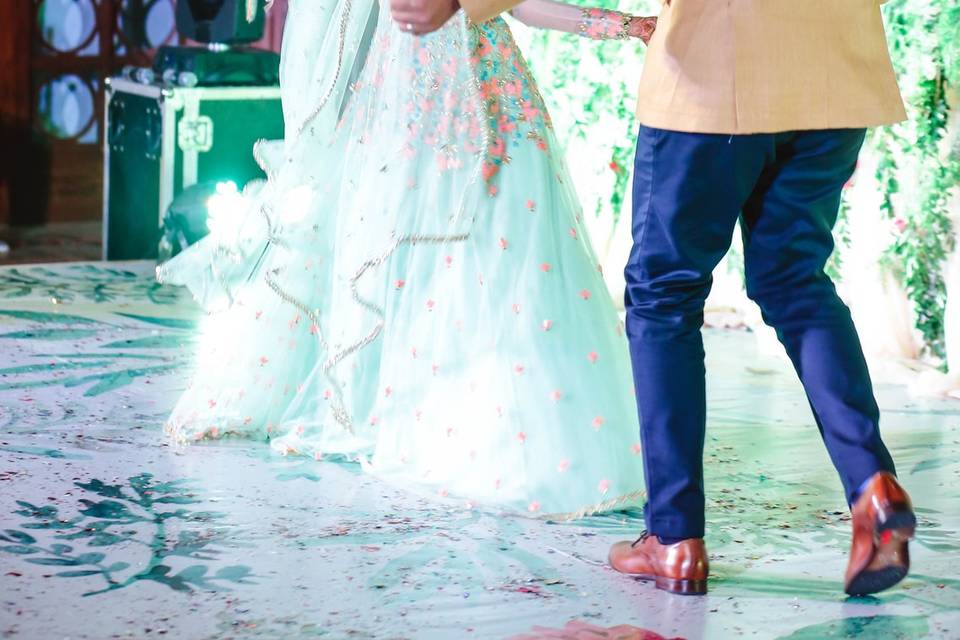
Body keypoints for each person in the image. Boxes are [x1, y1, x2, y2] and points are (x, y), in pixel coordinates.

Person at [395, 0, 916, 596]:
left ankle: (673, 538)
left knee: (663, 296)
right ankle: (872, 486)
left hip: (715, 72)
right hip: (836, 70)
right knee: (796, 281)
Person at [158, 0, 658, 520]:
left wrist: (623, 26)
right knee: (428, 263)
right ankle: (441, 418)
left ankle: (520, 426)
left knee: (515, 261)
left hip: (496, 101)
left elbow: (516, 5)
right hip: (413, 105)